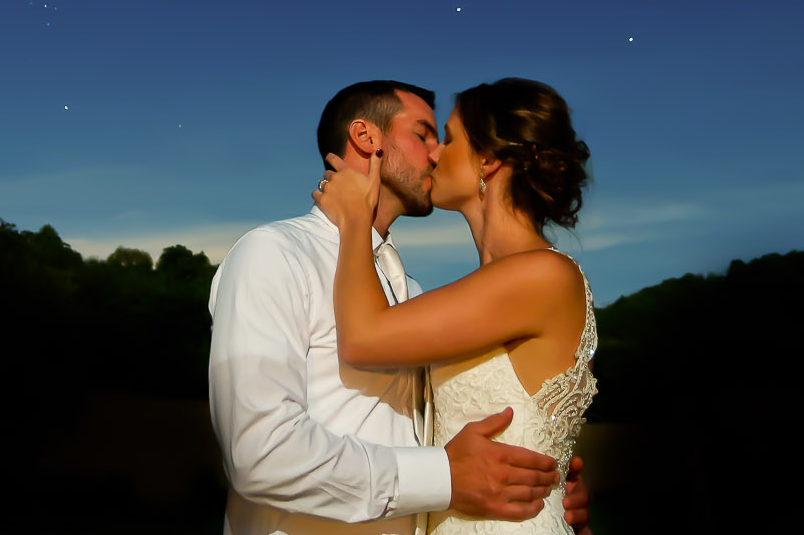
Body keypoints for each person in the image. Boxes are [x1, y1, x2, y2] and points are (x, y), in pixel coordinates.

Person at [209, 80, 591, 535]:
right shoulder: (274, 254)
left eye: (445, 139)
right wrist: (444, 478)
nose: (435, 154)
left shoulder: (410, 292)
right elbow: (261, 453)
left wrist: (547, 485)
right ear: (366, 138)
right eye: (424, 134)